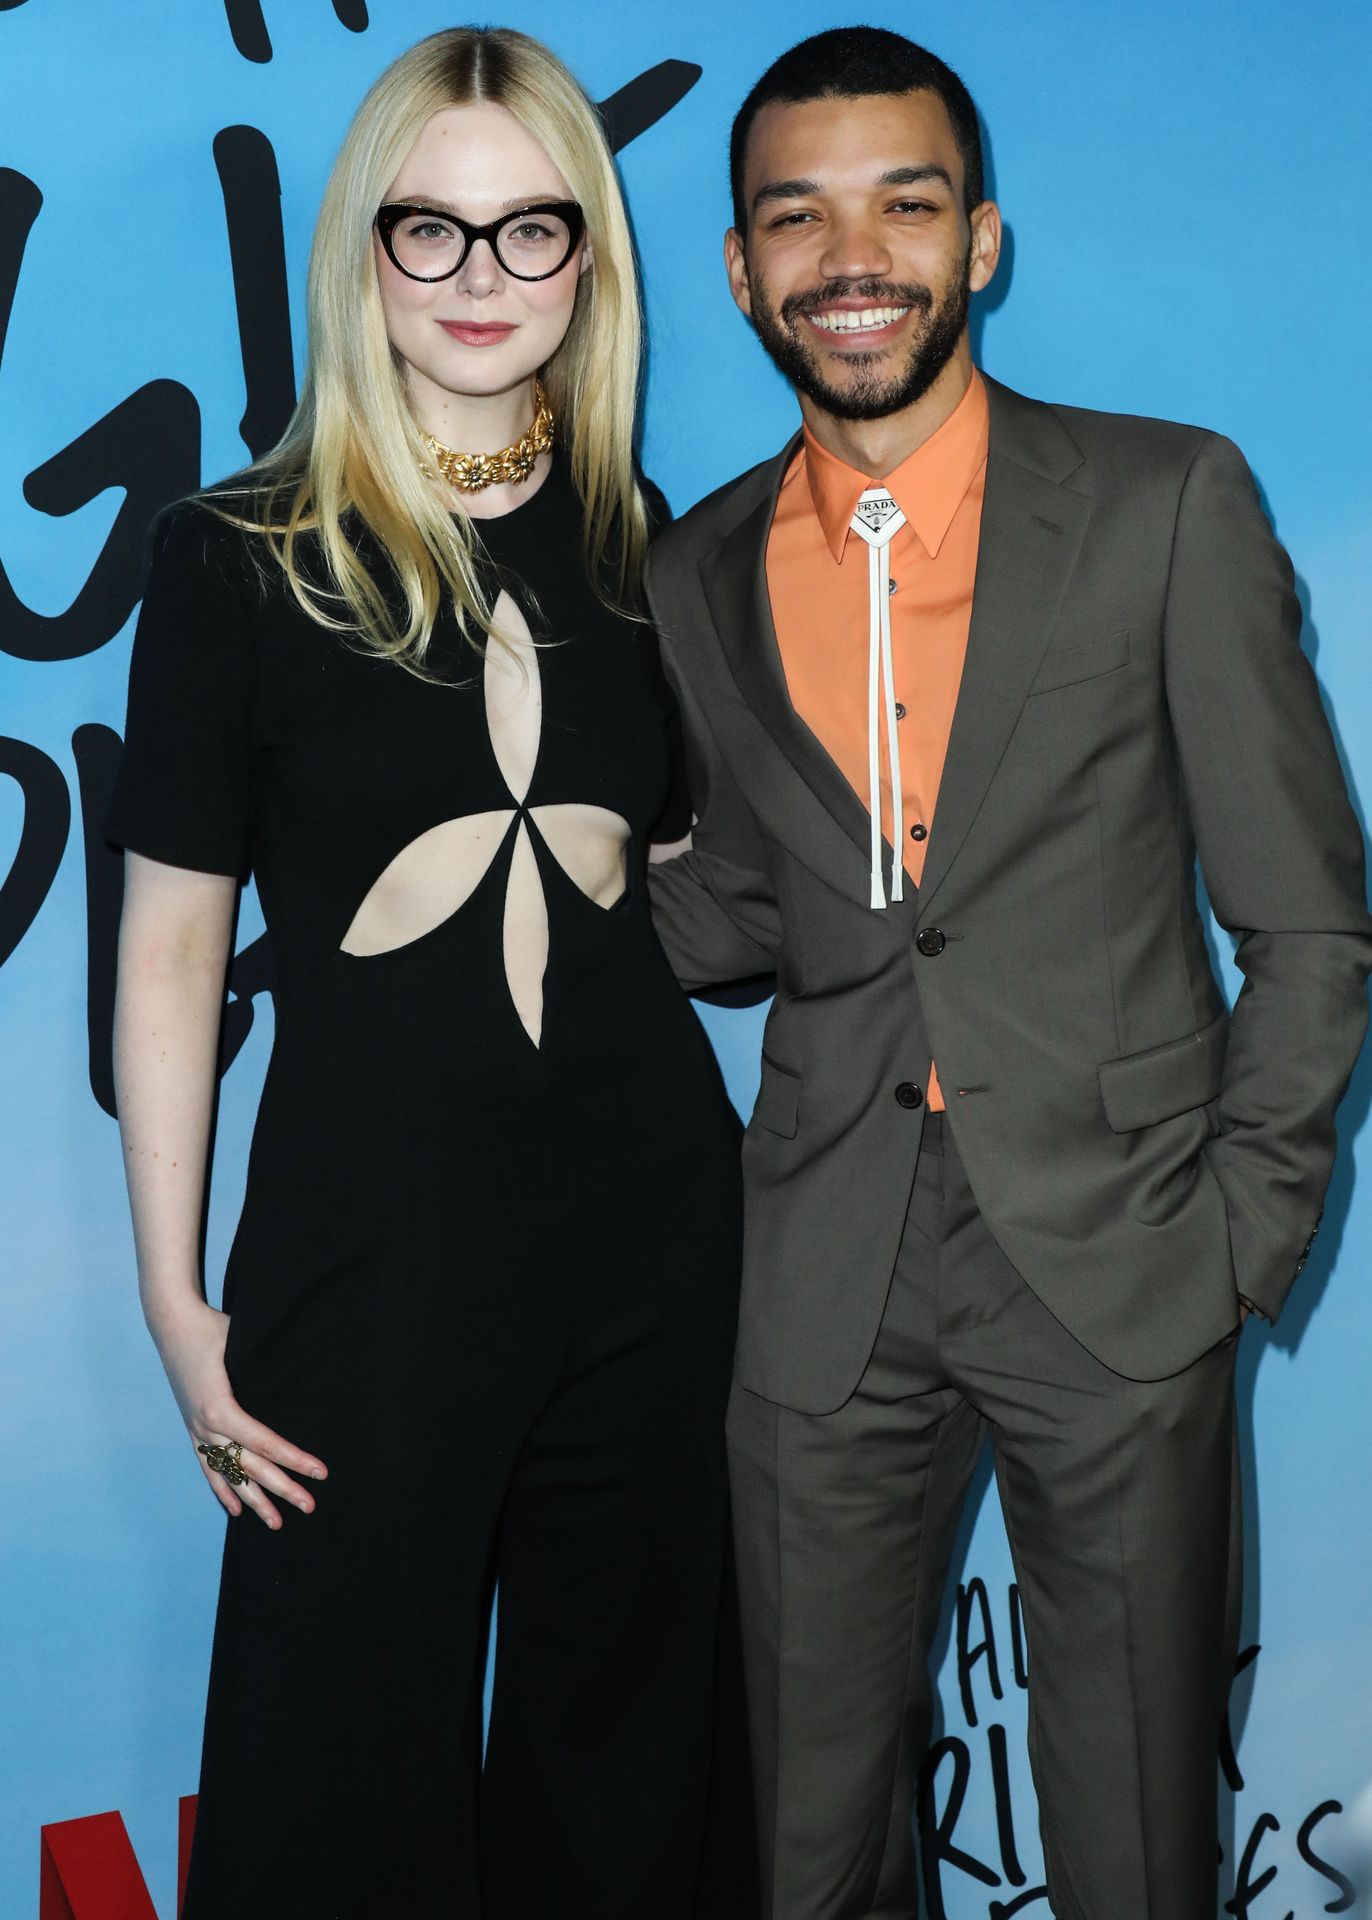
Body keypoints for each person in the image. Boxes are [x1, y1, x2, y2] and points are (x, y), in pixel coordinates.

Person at [645, 25, 1371, 1920]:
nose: (851, 258)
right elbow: (757, 913)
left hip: (1122, 1259)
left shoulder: (1164, 502)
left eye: (905, 205)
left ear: (982, 239)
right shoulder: (694, 573)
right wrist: (567, 869)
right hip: (822, 1275)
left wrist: (1237, 1243)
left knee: (1134, 1844)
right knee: (807, 1855)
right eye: (796, 217)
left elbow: (1308, 920)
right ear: (739, 267)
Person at [108, 27, 751, 1918]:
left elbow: (672, 878)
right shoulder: (233, 558)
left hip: (647, 1244)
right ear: (362, 249)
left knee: (627, 1780)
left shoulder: (643, 544)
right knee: (331, 1788)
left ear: (589, 257)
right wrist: (174, 1298)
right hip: (363, 1250)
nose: (482, 278)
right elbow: (172, 952)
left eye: (531, 228)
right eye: (432, 229)